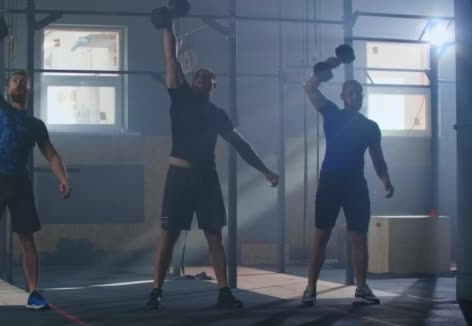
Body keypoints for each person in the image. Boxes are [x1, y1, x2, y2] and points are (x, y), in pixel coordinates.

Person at [145, 19, 280, 310]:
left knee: (214, 236)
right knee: (169, 236)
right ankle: (155, 291)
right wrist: (167, 26)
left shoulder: (217, 114)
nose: (204, 79)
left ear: (213, 87)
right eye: (200, 76)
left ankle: (223, 292)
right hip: (178, 176)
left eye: (209, 78)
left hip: (206, 178)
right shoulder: (179, 97)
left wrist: (265, 170)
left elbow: (241, 145)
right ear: (193, 81)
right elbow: (171, 58)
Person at [0, 36, 72, 311]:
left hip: (20, 183)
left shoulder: (35, 124)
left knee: (27, 239)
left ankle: (33, 293)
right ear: (8, 88)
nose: (20, 83)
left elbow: (51, 154)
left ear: (29, 90)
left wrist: (63, 178)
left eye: (24, 81)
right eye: (15, 80)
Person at [301, 57, 394, 306]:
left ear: (362, 97)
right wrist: (328, 67)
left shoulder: (370, 127)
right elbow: (309, 88)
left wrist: (386, 180)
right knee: (321, 236)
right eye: (351, 93)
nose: (355, 96)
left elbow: (378, 159)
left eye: (359, 93)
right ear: (343, 97)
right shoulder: (332, 113)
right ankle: (310, 286)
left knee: (359, 236)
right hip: (330, 181)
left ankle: (361, 286)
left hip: (355, 184)